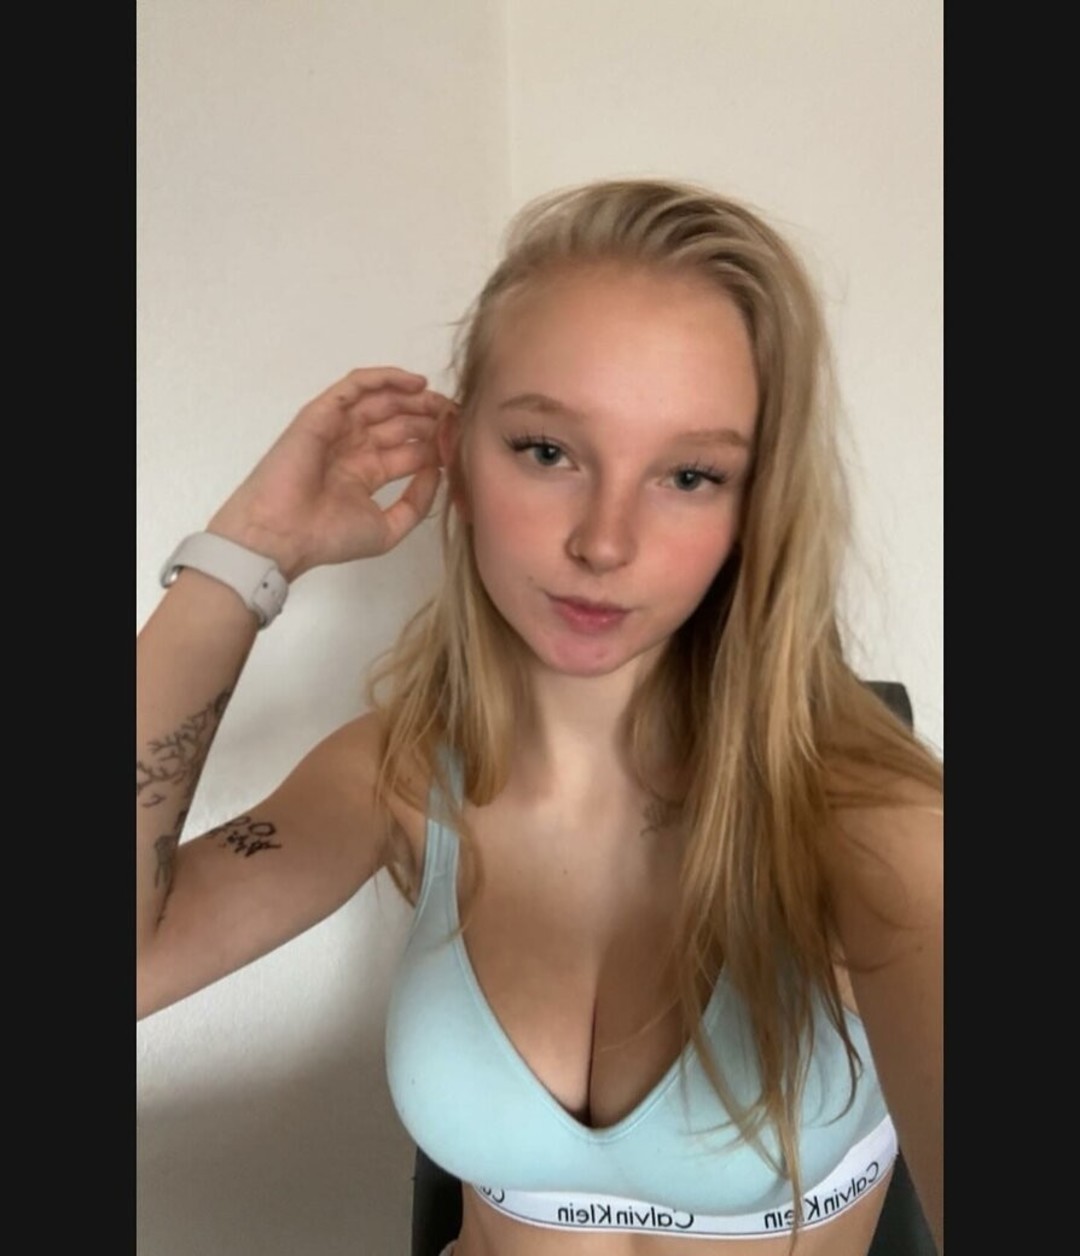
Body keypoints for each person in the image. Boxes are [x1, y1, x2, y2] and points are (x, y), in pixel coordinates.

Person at [137, 178, 943, 1256]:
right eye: (547, 451)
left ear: (758, 508)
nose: (604, 542)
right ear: (459, 458)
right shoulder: (400, 772)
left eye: (691, 474)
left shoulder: (872, 826)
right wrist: (244, 556)